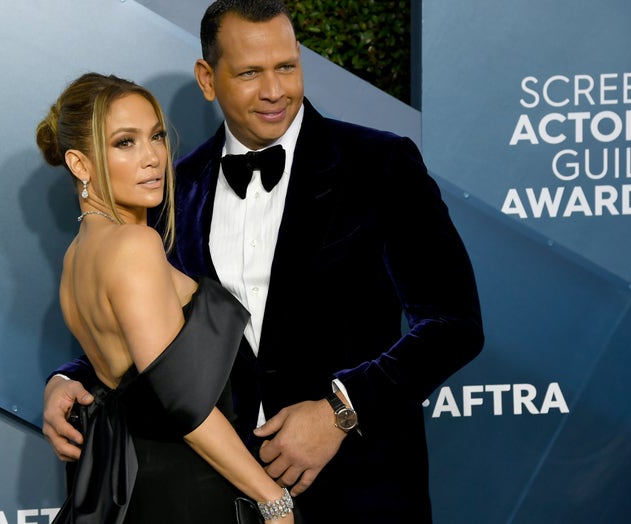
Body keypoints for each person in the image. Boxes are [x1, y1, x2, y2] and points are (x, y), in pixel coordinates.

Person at [43, 1, 484, 521]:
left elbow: (454, 324)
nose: (275, 91)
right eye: (250, 72)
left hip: (359, 488)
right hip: (218, 491)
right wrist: (69, 379)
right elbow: (153, 329)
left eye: (287, 67)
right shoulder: (169, 191)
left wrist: (341, 410)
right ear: (207, 78)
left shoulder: (381, 165)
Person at [36, 72, 295, 523]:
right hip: (189, 490)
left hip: (141, 483)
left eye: (156, 136)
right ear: (80, 164)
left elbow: (131, 377)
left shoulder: (76, 257)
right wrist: (272, 499)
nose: (153, 157)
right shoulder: (134, 245)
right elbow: (184, 403)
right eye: (125, 142)